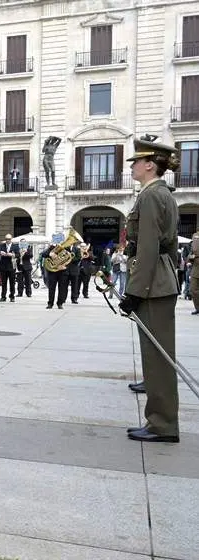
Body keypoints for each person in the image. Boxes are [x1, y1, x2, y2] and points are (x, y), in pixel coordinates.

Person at [118, 136, 181, 443]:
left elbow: (149, 246)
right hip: (157, 282)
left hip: (153, 284)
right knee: (155, 357)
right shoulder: (158, 193)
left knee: (158, 360)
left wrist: (135, 291)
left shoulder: (153, 195)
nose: (132, 166)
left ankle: (163, 424)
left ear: (149, 165)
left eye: (136, 162)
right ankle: (160, 421)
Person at [0, 234, 19, 302]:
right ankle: (3, 296)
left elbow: (18, 255)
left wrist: (13, 255)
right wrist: (0, 253)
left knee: (12, 282)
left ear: (11, 239)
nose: (8, 240)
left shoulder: (15, 246)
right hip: (3, 266)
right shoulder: (1, 245)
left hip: (11, 267)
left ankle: (12, 296)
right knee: (3, 283)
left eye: (9, 239)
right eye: (6, 239)